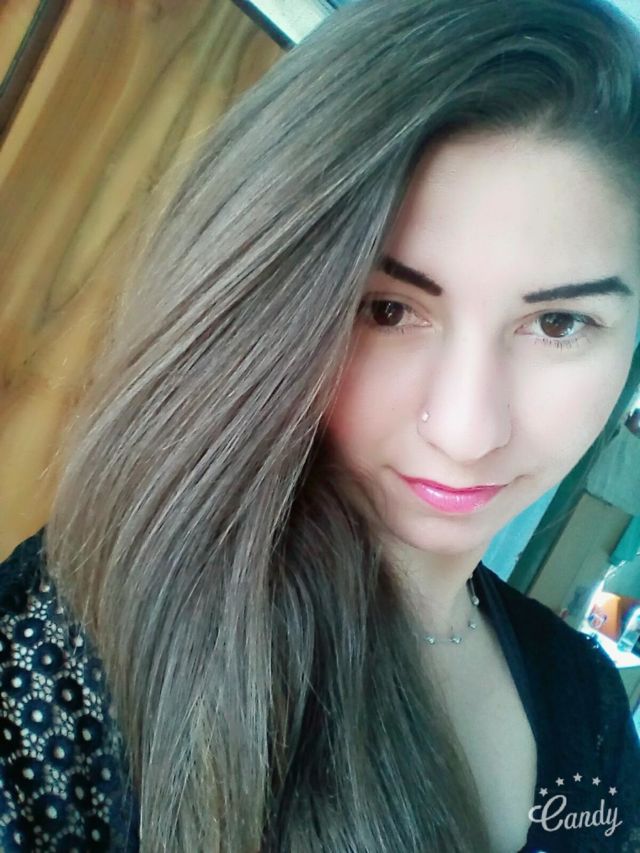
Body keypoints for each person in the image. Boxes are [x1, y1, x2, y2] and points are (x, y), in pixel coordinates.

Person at [1, 0, 640, 850]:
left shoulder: (587, 703)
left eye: (558, 324)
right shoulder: (71, 656)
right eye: (387, 309)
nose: (466, 432)